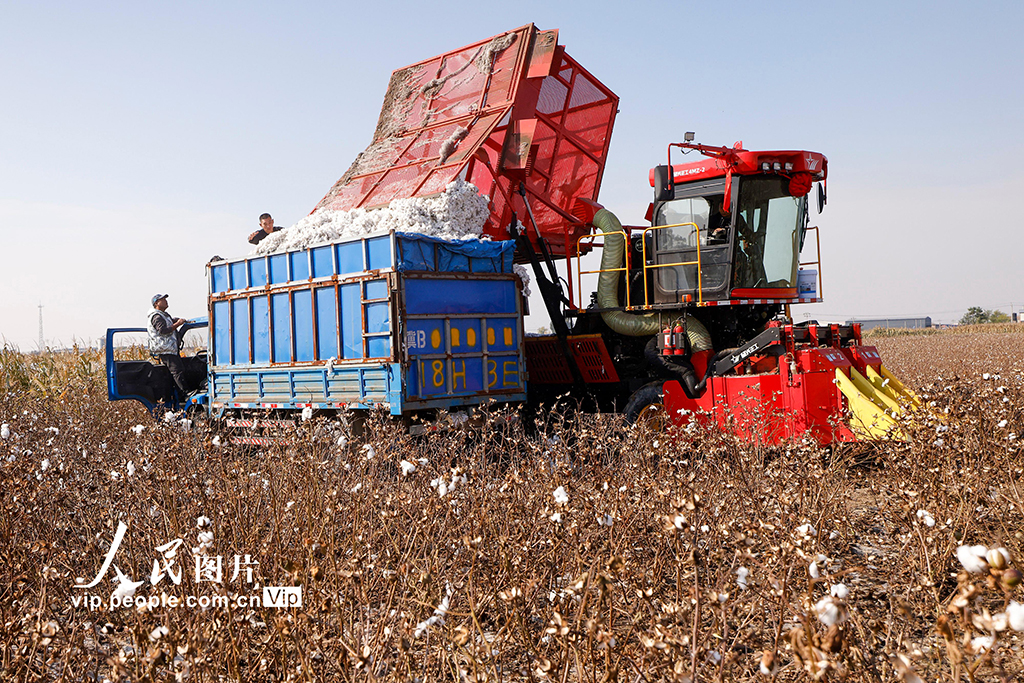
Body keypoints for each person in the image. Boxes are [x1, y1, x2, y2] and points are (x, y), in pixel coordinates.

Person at [147, 294, 191, 397]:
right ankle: (185, 393)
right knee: (177, 371)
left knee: (178, 370)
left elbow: (168, 321)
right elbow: (162, 330)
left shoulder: (163, 315)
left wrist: (176, 320)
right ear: (156, 303)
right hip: (165, 349)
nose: (166, 301)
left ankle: (180, 394)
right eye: (162, 300)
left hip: (169, 348)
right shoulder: (156, 316)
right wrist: (177, 324)